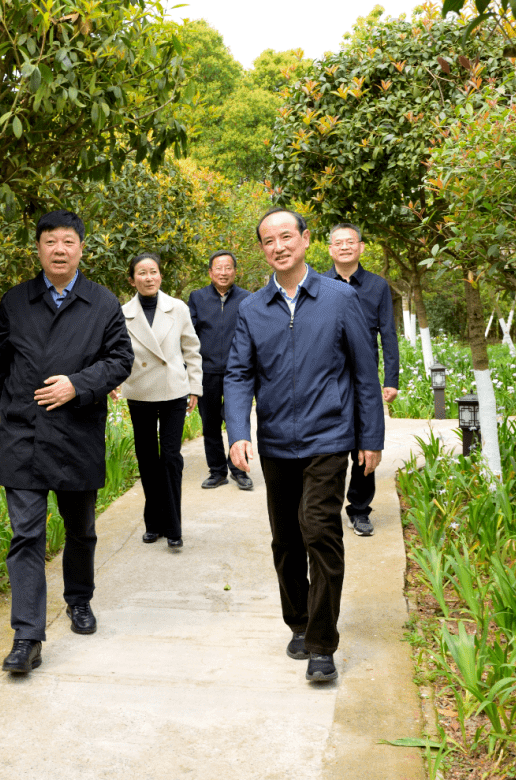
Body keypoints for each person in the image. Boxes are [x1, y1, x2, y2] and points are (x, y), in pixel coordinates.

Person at [0, 209, 134, 675]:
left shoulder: (101, 303)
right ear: (38, 249)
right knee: (26, 536)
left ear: (81, 248)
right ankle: (27, 636)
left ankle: (79, 600)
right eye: (50, 242)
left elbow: (121, 359)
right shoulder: (16, 301)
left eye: (68, 242)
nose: (59, 250)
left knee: (81, 529)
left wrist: (78, 384)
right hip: (23, 434)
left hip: (77, 434)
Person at [226, 208, 384, 683]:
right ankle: (297, 622)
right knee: (287, 541)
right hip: (276, 443)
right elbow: (238, 374)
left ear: (306, 239)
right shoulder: (252, 308)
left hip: (329, 438)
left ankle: (322, 644)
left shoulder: (339, 298)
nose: (279, 246)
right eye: (269, 240)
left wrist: (370, 436)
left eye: (287, 236)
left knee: (319, 531)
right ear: (262, 249)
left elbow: (363, 372)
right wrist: (238, 431)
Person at [114, 252, 203, 548]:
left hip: (173, 390)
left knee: (171, 459)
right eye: (142, 273)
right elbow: (116, 354)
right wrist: (112, 383)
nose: (148, 277)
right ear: (132, 279)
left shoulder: (178, 308)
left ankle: (174, 527)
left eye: (153, 272)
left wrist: (195, 387)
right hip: (139, 391)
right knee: (147, 459)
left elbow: (191, 349)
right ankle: (153, 523)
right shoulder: (123, 312)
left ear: (160, 276)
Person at [323, 223, 399, 538]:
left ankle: (359, 510)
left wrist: (391, 379)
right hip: (327, 378)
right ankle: (324, 509)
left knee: (366, 443)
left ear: (361, 247)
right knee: (327, 445)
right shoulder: (317, 284)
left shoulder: (377, 286)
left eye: (350, 242)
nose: (344, 247)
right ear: (329, 249)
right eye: (338, 242)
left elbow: (388, 334)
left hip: (364, 380)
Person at [187, 251, 252, 490]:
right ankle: (217, 471)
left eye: (228, 268)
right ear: (210, 272)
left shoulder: (247, 299)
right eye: (219, 268)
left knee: (238, 421)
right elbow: (189, 337)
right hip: (207, 372)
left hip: (239, 373)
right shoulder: (197, 298)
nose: (223, 273)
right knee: (210, 424)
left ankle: (239, 469)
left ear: (236, 271)